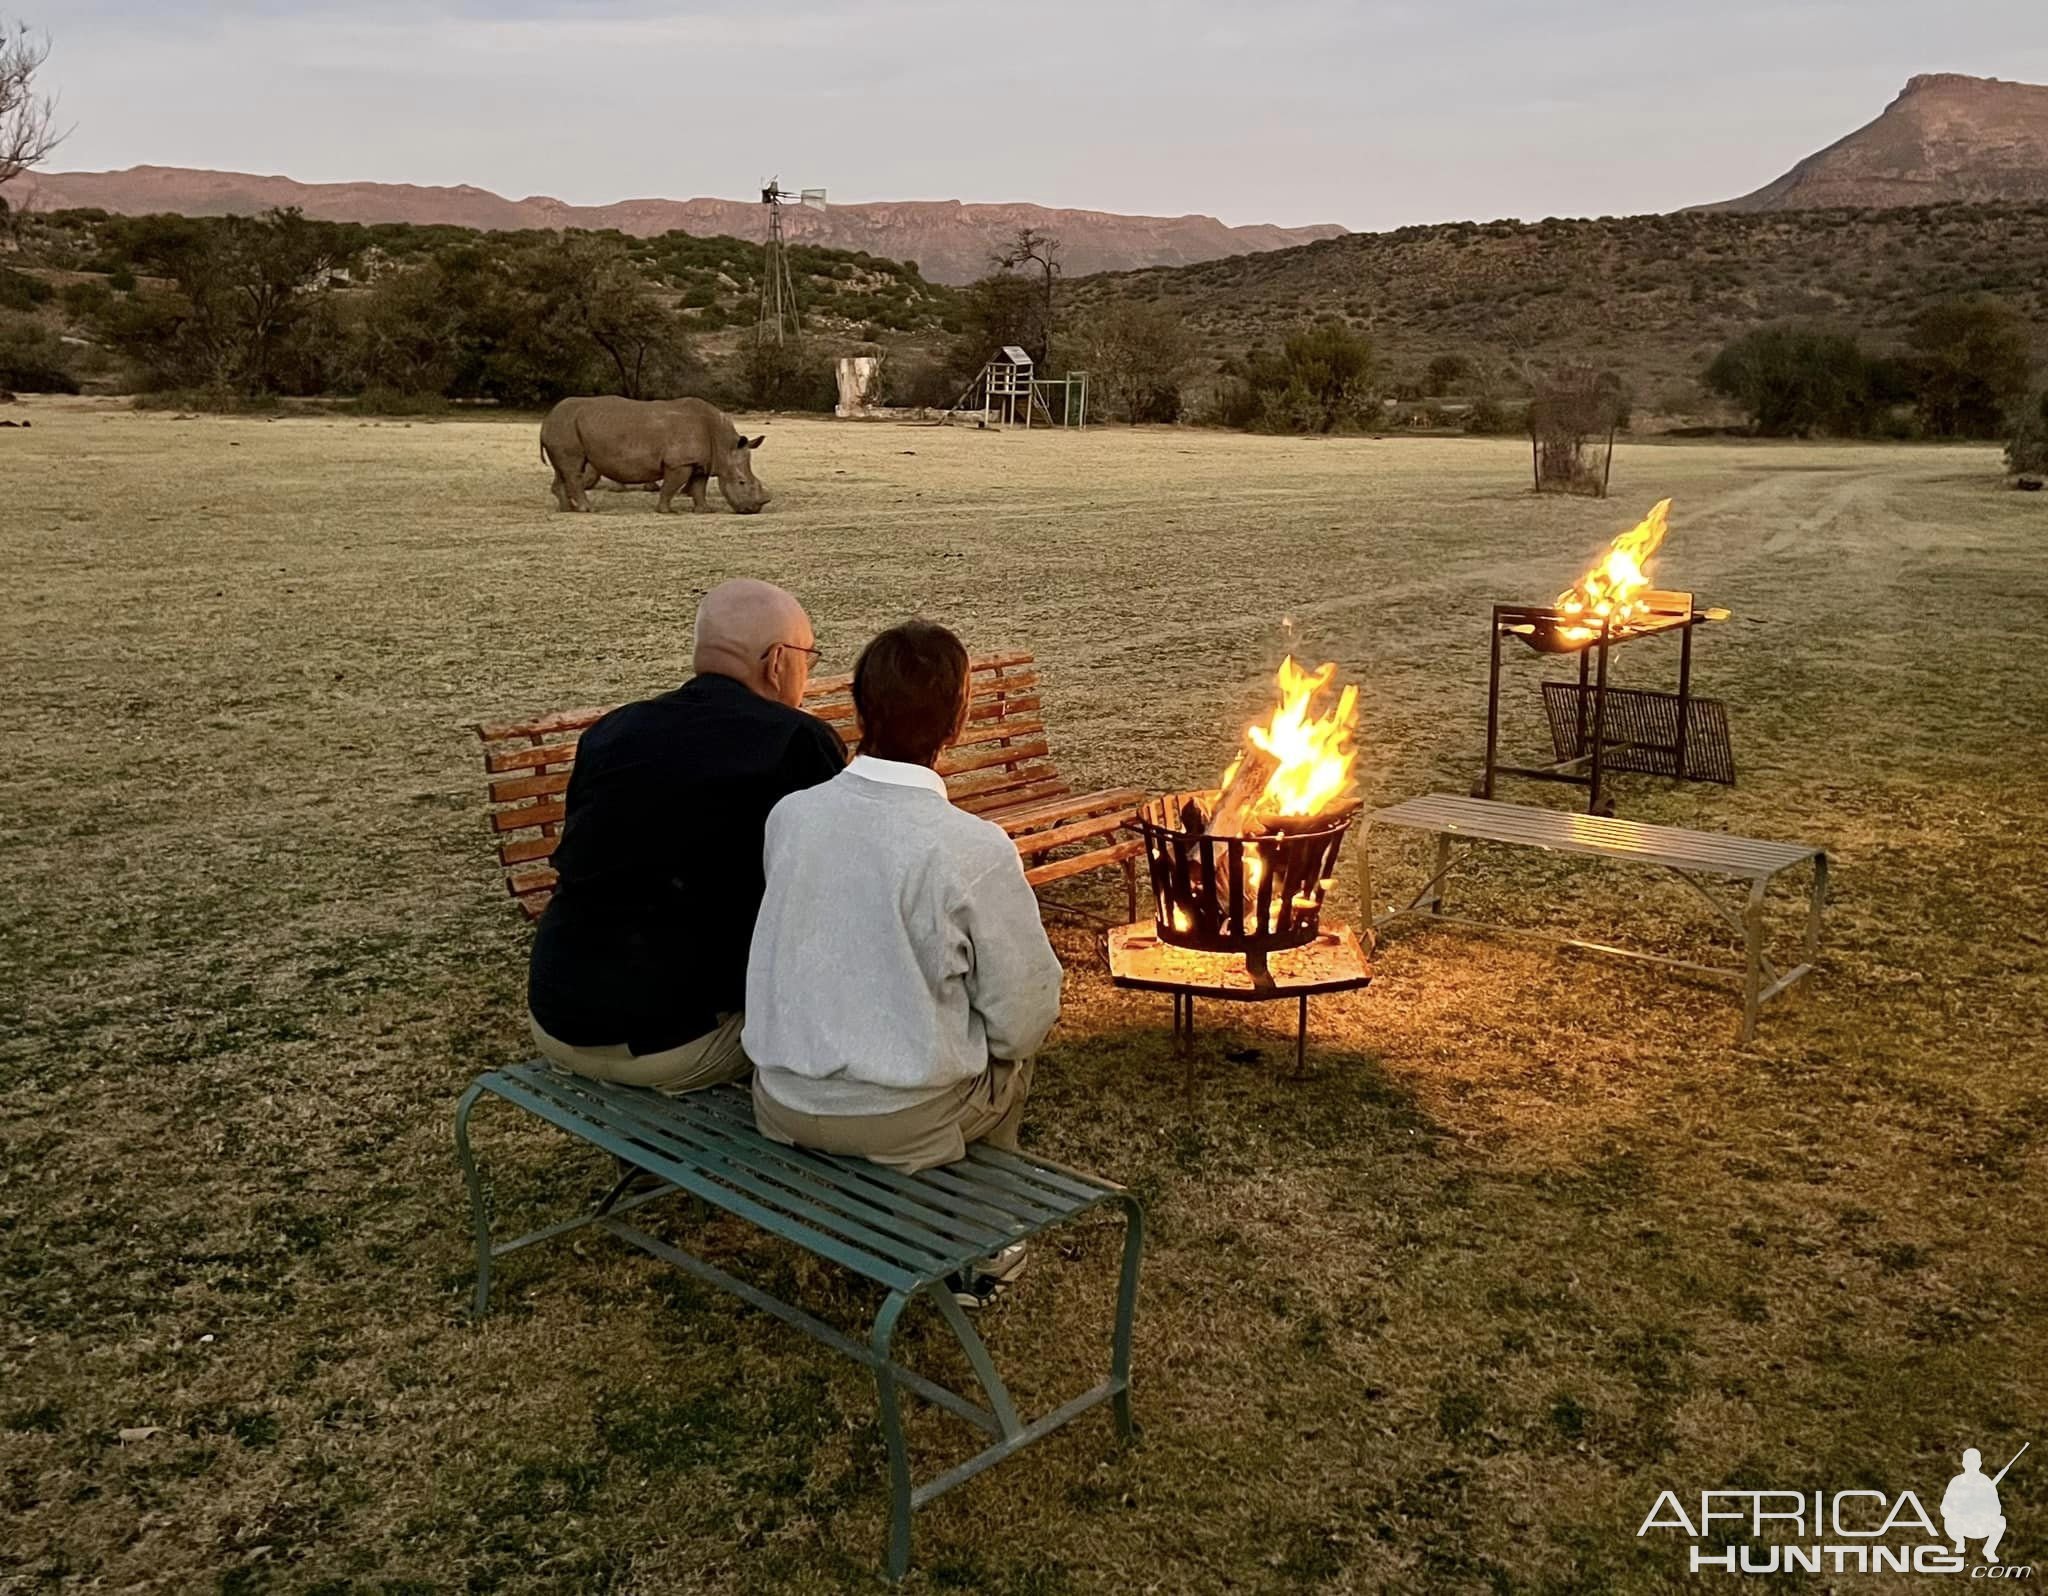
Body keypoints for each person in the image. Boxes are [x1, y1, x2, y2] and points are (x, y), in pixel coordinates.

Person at [744, 619, 1063, 1306]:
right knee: (1012, 1055)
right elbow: (1025, 1013)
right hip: (903, 1120)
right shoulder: (970, 847)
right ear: (960, 720)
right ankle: (985, 1244)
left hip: (782, 1098)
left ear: (857, 709)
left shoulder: (791, 817)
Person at [526, 578, 844, 1093]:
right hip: (679, 1041)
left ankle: (650, 1165)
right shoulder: (795, 742)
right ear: (778, 662)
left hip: (555, 1018)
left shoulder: (612, 731)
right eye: (810, 657)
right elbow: (830, 898)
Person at [1942, 1448, 2008, 1563]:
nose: (1971, 1465)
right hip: (1960, 1525)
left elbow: (1996, 1508)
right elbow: (1945, 1506)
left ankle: (1989, 1550)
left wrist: (1983, 1510)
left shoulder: (1986, 1482)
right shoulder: (1956, 1481)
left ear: (1979, 1464)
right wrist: (1955, 1512)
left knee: (2000, 1521)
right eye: (1968, 1462)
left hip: (1980, 1525)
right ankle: (1959, 1541)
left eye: (1974, 1462)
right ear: (1963, 1463)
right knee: (1949, 1520)